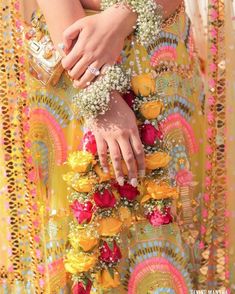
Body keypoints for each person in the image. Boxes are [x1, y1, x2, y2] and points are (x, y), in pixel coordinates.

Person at [2, 0, 205, 292]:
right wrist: (99, 93)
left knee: (162, 243)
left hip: (163, 63)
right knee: (79, 248)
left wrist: (124, 15)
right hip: (74, 59)